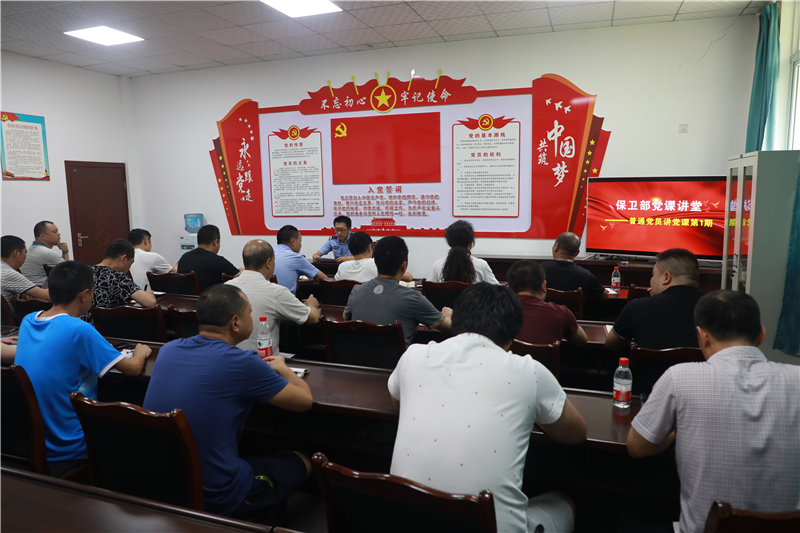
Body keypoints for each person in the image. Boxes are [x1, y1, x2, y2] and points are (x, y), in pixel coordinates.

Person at [389, 283, 587, 533]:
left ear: (456, 321)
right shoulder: (529, 371)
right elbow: (576, 434)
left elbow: (398, 403)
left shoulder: (413, 356)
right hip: (489, 526)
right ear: (511, 338)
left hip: (405, 521)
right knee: (564, 500)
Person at [625, 291, 800, 533]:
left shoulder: (680, 377)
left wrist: (676, 432)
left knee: (629, 521)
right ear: (761, 335)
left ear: (703, 336)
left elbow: (637, 447)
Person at [143, 284, 313, 518]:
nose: (251, 317)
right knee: (302, 460)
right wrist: (283, 368)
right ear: (235, 323)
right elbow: (304, 401)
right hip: (218, 495)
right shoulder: (244, 363)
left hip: (164, 484)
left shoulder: (168, 350)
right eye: (249, 313)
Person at [14, 261, 150, 467]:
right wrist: (140, 353)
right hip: (72, 444)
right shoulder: (79, 329)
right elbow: (133, 369)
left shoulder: (29, 320)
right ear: (84, 295)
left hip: (33, 440)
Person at [605, 249, 704, 393]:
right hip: (701, 394)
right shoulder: (717, 308)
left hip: (649, 395)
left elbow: (610, 344)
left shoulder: (638, 307)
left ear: (666, 277)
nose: (651, 280)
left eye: (653, 275)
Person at [345, 235, 451, 347]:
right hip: (398, 359)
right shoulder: (414, 299)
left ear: (375, 262)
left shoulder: (356, 290)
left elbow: (346, 318)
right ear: (404, 266)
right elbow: (452, 327)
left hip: (357, 357)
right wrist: (447, 313)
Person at [226, 239, 320, 354]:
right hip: (263, 362)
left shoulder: (225, 288)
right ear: (268, 263)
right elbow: (313, 318)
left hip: (228, 360)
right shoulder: (276, 292)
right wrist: (311, 305)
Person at [507, 260, 587, 347]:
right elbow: (582, 341)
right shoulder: (561, 312)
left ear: (509, 288)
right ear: (543, 286)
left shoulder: (497, 312)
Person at [540, 232, 606, 314]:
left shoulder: (537, 271)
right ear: (577, 253)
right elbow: (604, 296)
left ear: (556, 247)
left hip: (543, 318)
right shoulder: (586, 275)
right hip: (572, 321)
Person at [89, 239, 156, 319]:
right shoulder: (117, 276)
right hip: (105, 324)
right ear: (124, 258)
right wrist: (148, 293)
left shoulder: (84, 271)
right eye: (131, 263)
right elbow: (150, 302)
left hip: (80, 323)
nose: (129, 268)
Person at [426, 220, 499, 284]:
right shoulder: (481, 265)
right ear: (470, 245)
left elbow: (429, 288)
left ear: (450, 244)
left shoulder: (438, 264)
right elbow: (497, 289)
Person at [177, 224, 240, 292]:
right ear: (215, 242)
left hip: (182, 298)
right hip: (207, 298)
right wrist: (241, 270)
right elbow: (240, 276)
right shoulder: (217, 261)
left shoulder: (184, 257)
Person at [333, 233, 414, 283]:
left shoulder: (342, 267)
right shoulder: (375, 264)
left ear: (350, 251)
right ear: (369, 247)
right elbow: (408, 277)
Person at [273, 225, 328, 295]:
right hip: (286, 300)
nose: (300, 245)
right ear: (293, 241)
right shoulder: (295, 257)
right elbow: (324, 279)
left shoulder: (269, 253)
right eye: (300, 241)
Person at [1, 235, 50, 305]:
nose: (25, 256)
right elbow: (48, 296)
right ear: (16, 253)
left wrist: (22, 291)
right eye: (25, 252)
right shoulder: (9, 274)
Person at [20, 220, 70, 286]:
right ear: (43, 236)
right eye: (54, 232)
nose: (58, 234)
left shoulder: (32, 248)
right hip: (42, 289)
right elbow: (70, 273)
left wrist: (65, 252)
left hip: (30, 288)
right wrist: (66, 252)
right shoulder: (48, 253)